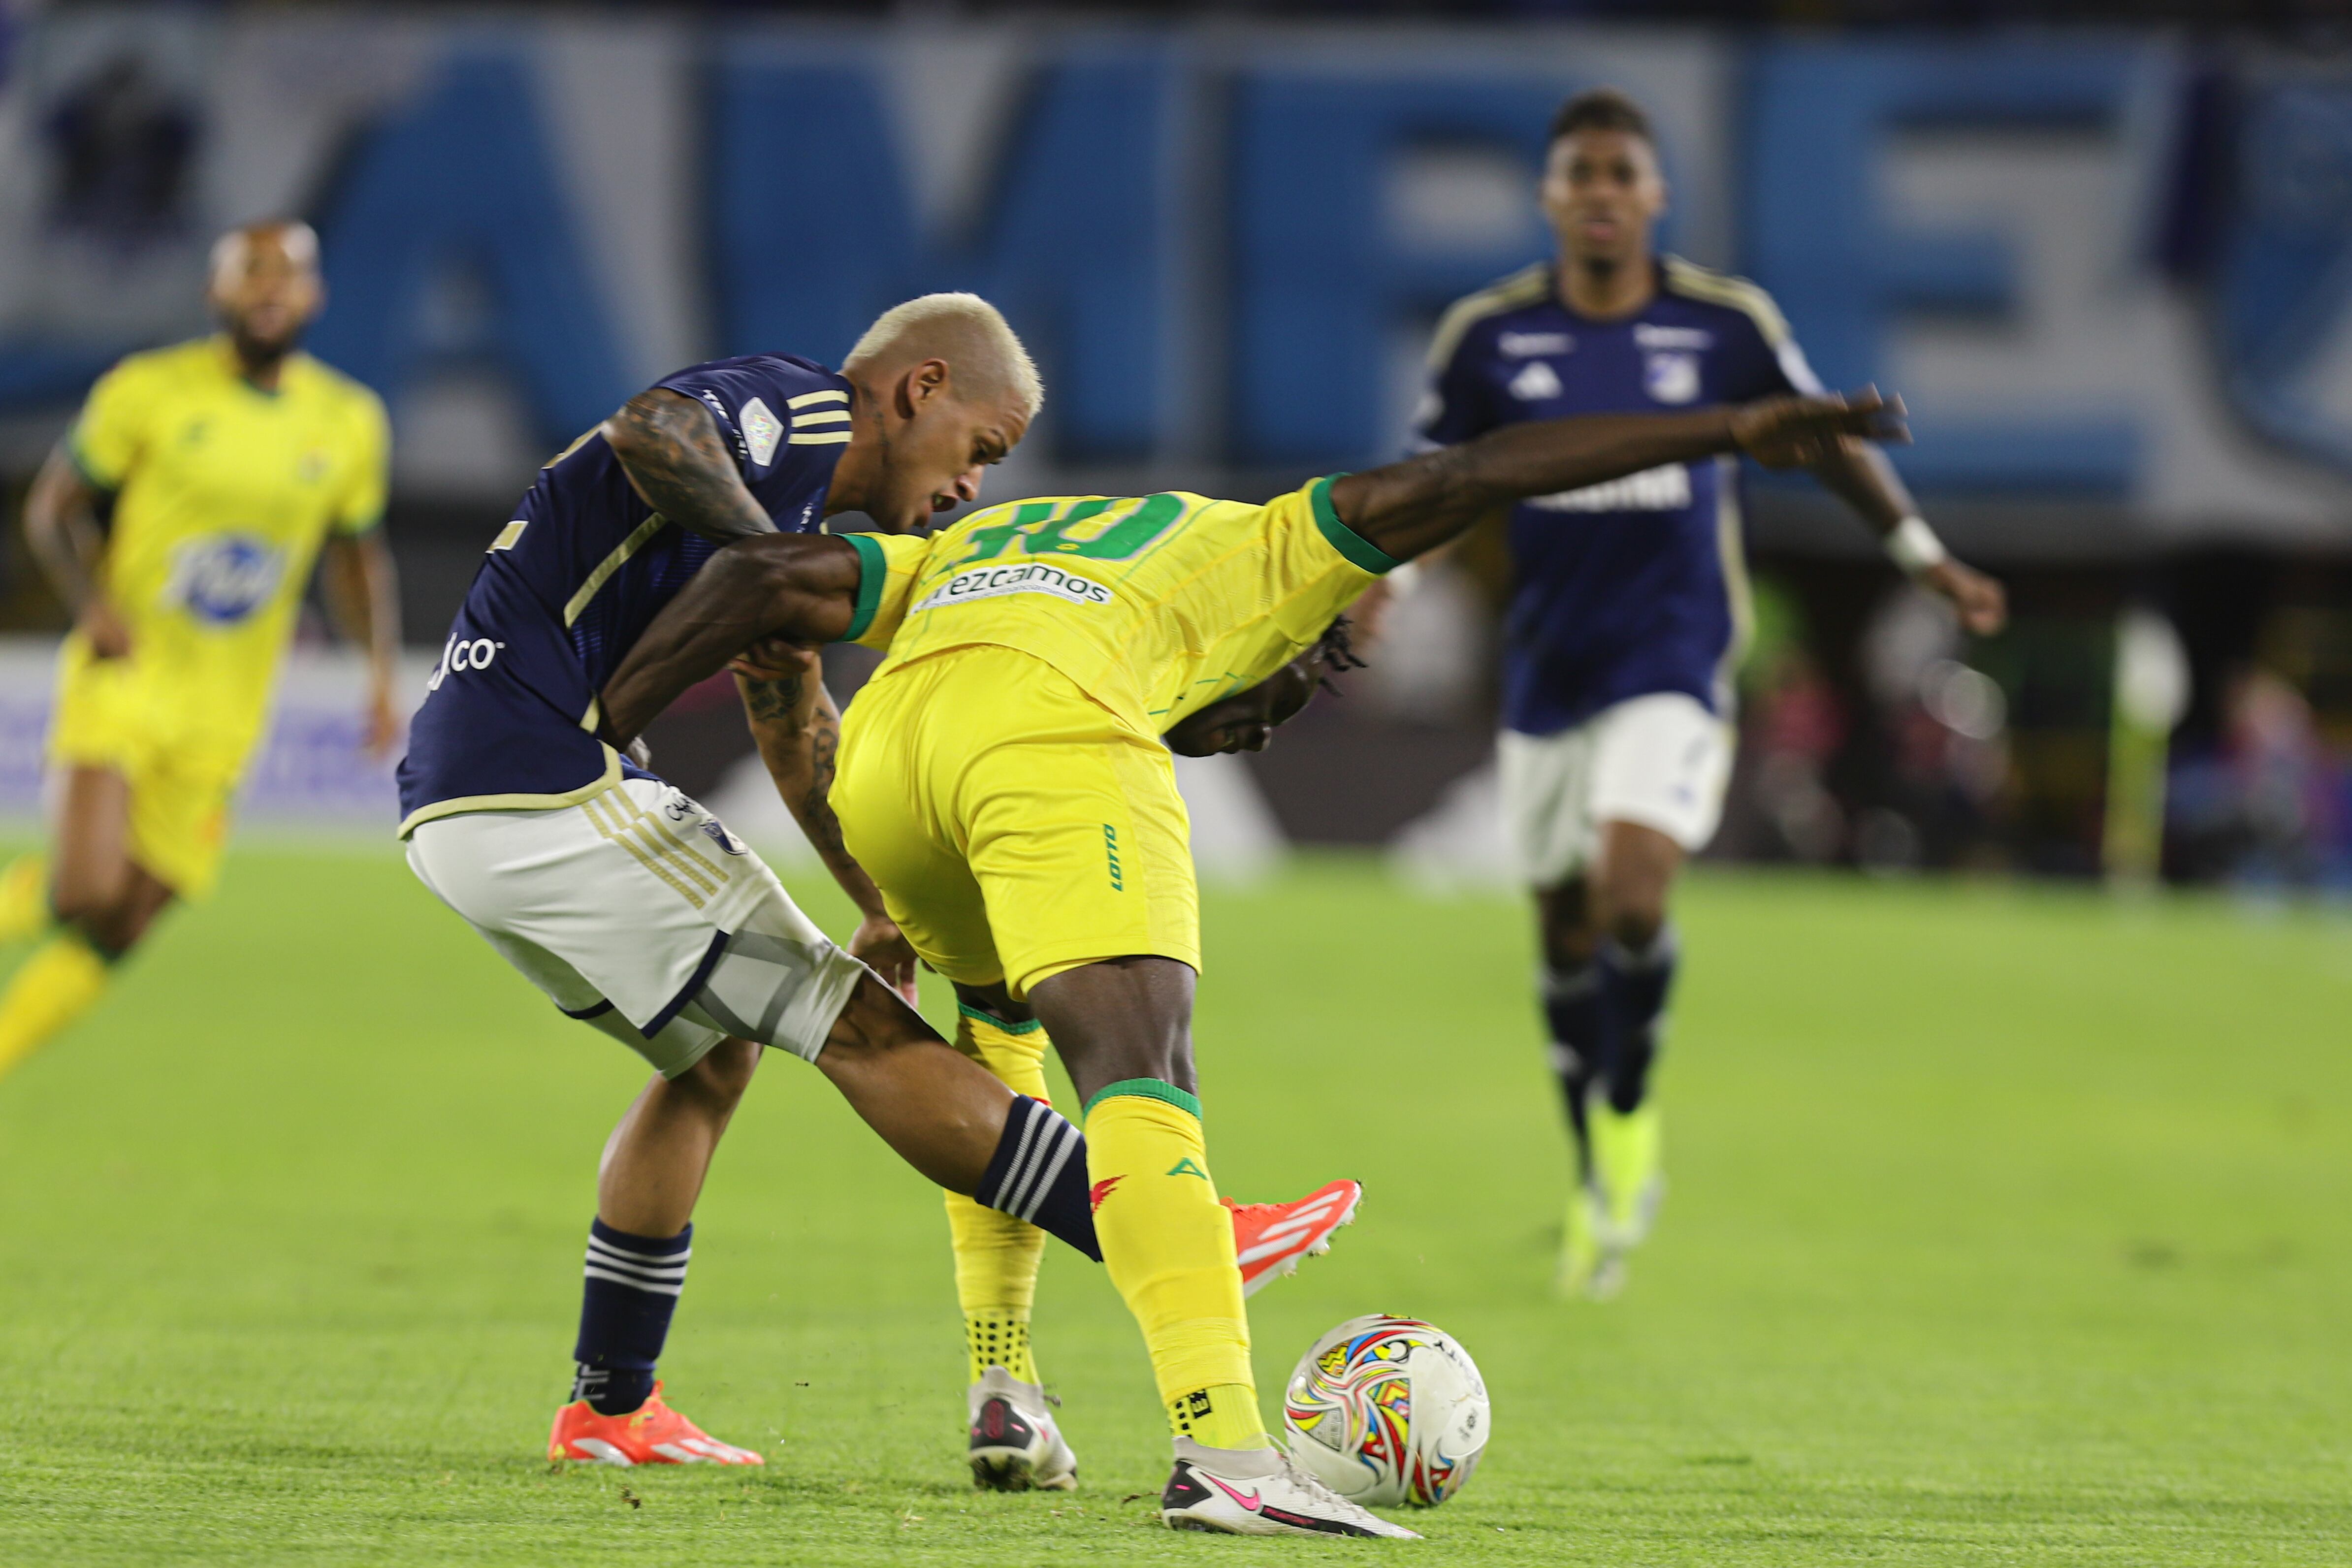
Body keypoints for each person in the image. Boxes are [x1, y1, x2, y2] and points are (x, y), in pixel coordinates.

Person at [593, 377, 1905, 1535]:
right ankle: (1225, 1450)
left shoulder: (994, 530)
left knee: (994, 1030)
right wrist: (1730, 427)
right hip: (1048, 737)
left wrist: (596, 732)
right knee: (1140, 1075)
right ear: (1301, 646)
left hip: (893, 757)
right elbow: (1482, 470)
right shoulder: (1279, 549)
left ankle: (1004, 1383)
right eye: (1276, 707)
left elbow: (773, 582)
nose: (1255, 734)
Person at [393, 294, 1353, 1472]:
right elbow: (652, 426)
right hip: (538, 781)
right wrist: (759, 548)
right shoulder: (795, 409)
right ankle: (1175, 1231)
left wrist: (878, 896)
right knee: (849, 1023)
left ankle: (610, 1408)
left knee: (710, 1060)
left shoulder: (780, 537)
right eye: (978, 451)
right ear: (917, 389)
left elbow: (794, 722)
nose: (971, 490)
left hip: (466, 801)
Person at [1413, 88, 2009, 1298]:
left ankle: (1629, 1110)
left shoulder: (1723, 323)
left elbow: (1819, 436)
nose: (1599, 194)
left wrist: (1922, 556)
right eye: (1578, 173)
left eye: (1620, 174)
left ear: (1655, 195)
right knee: (1563, 931)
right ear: (1548, 195)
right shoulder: (1487, 337)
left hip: (1673, 656)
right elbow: (1436, 482)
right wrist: (1389, 582)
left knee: (1633, 892)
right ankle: (1599, 1164)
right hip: (1547, 663)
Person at [0, 221, 398, 1080]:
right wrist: (93, 603)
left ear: (314, 295)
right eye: (249, 272)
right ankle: (39, 896)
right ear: (216, 293)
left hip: (229, 708)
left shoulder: (348, 420)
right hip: (129, 674)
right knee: (83, 895)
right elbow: (51, 509)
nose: (268, 289)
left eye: (286, 274)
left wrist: (377, 677)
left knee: (130, 918)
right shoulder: (149, 390)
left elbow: (356, 556)